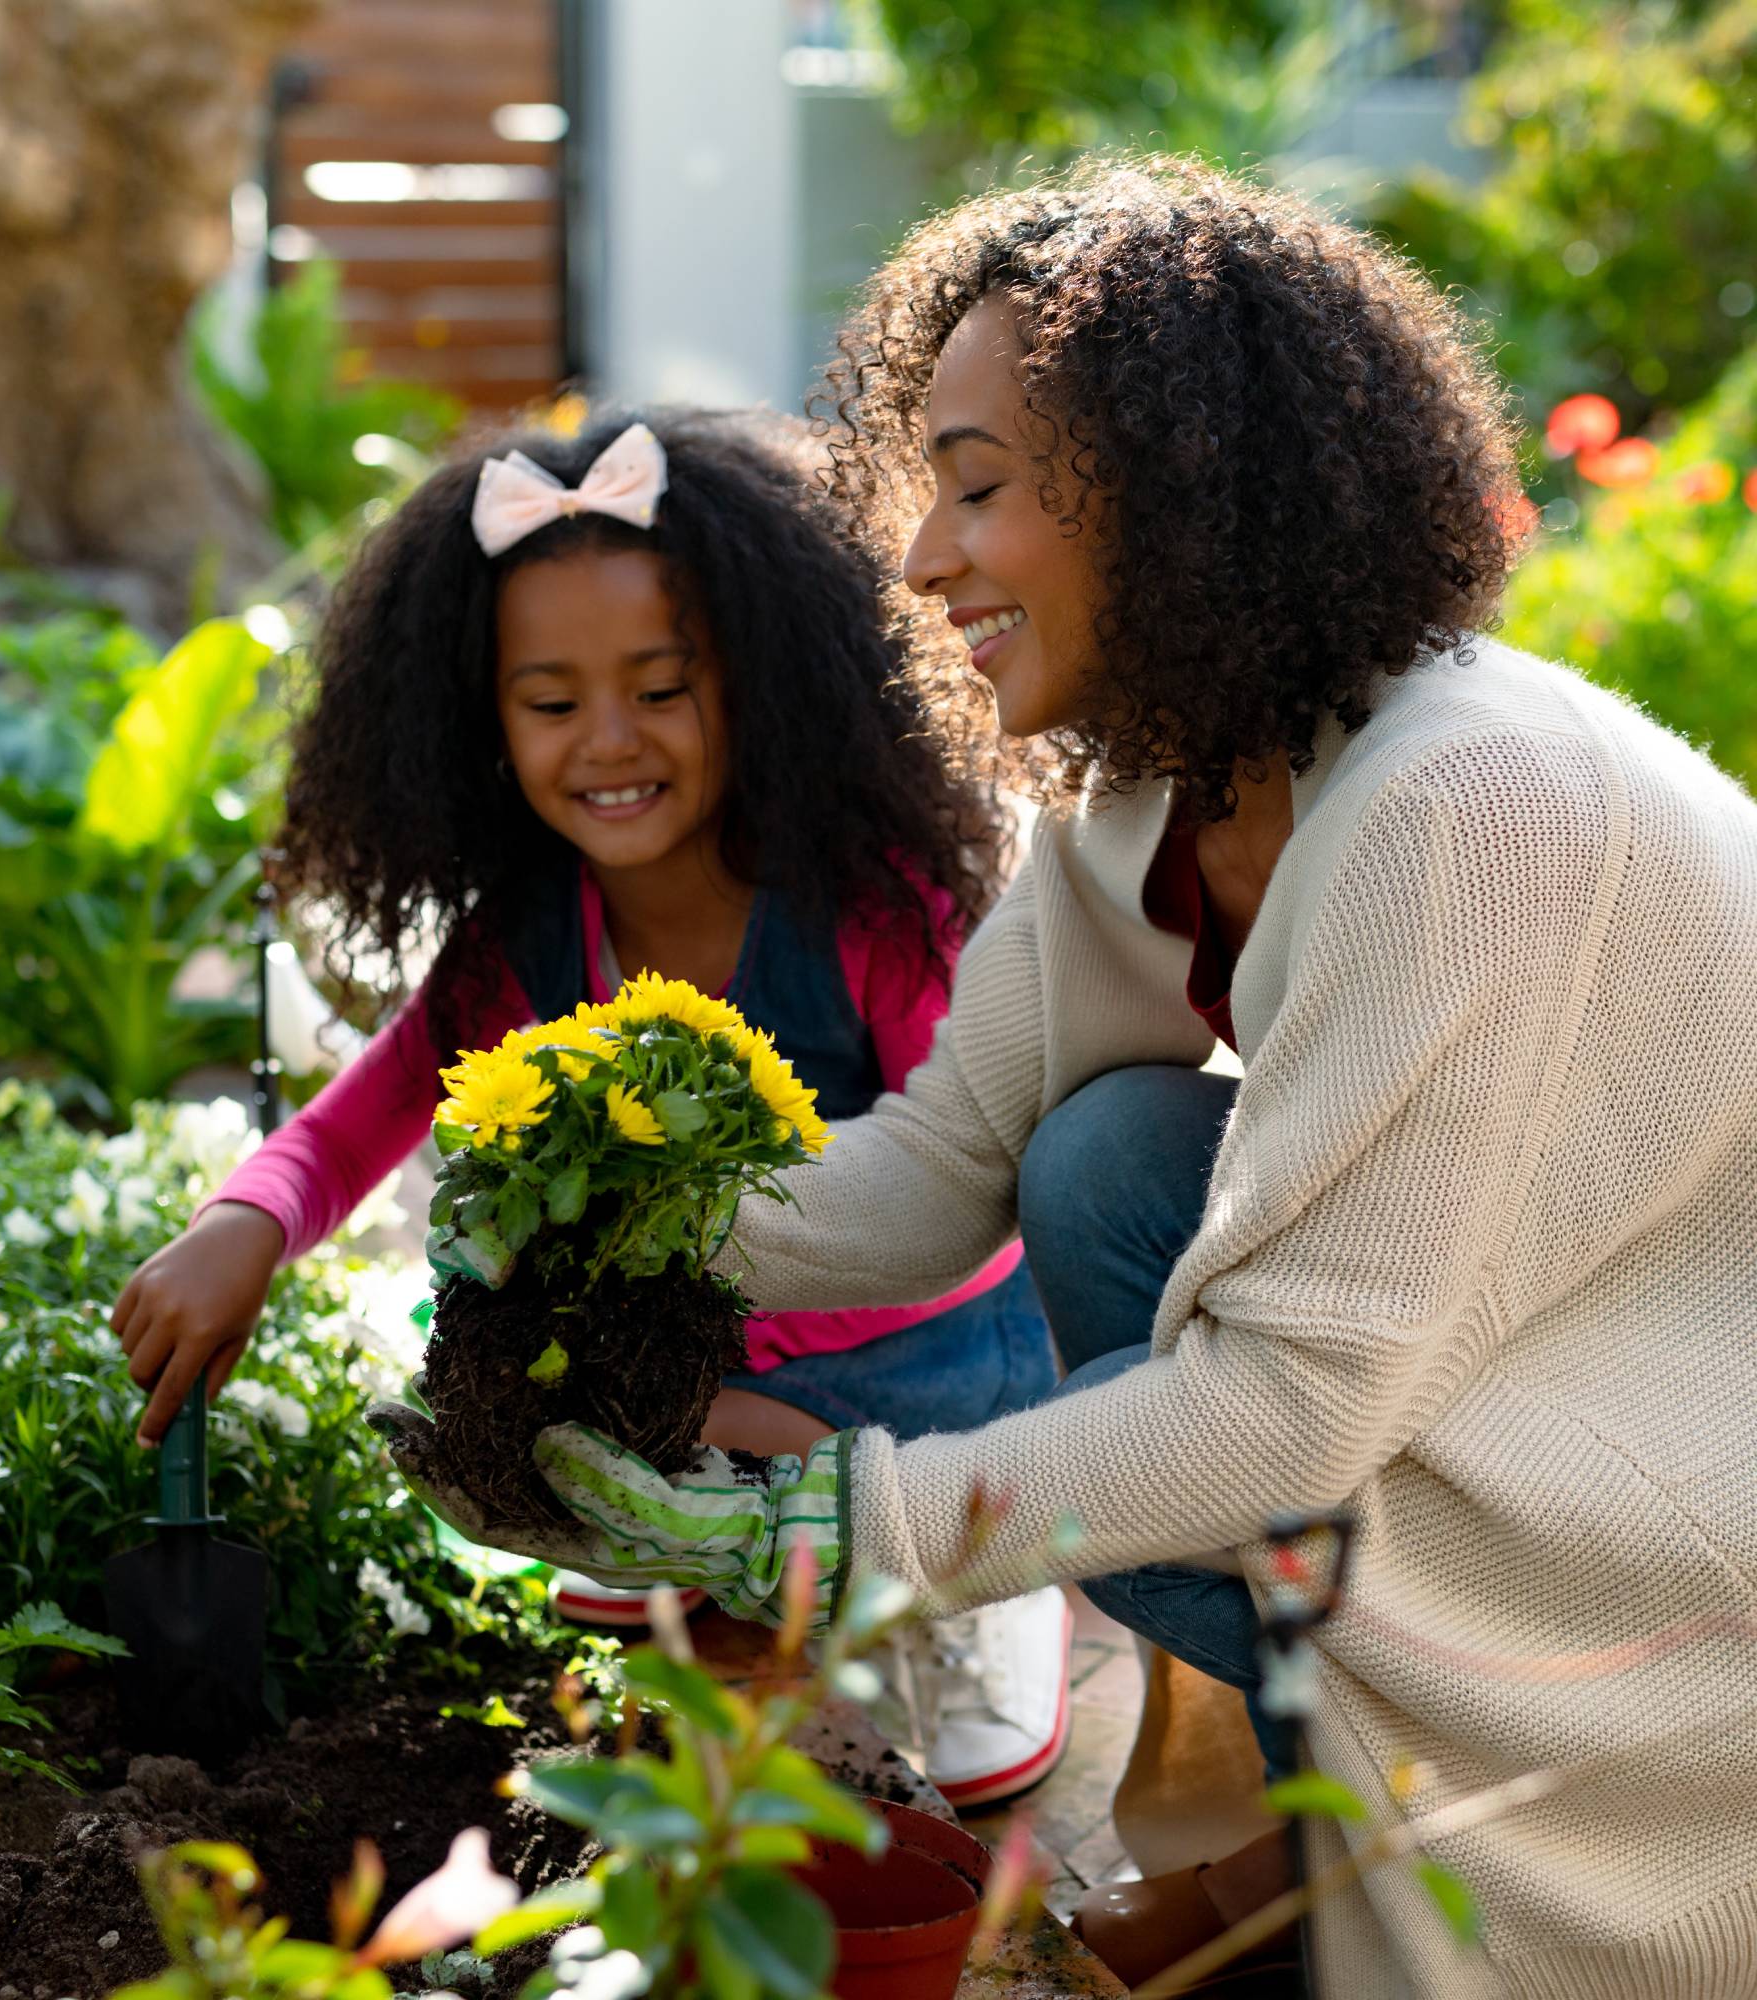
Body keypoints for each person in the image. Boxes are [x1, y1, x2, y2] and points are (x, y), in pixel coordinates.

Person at [372, 162, 1757, 1998]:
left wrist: (837, 1524)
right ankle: (1308, 1839)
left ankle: (1374, 1846)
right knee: (1107, 1160)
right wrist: (604, 1222)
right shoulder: (1152, 792)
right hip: (1502, 1369)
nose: (925, 558)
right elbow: (942, 1160)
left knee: (1151, 1398)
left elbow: (1281, 1413)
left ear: (1176, 498)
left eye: (978, 489)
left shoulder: (1463, 804)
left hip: (1667, 1497)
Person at [115, 409, 1073, 1808]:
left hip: (919, 1376)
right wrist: (242, 1223)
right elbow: (354, 1122)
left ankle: (979, 1596)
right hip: (710, 1381)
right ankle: (729, 1577)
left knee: (693, 1435)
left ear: (759, 685)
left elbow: (988, 1205)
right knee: (495, 1403)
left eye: (663, 689)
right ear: (481, 726)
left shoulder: (867, 911)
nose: (609, 743)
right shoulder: (525, 934)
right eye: (553, 704)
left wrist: (715, 1361)